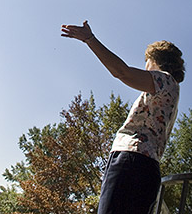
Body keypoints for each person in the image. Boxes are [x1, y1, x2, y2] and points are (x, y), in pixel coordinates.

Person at [61, 21, 184, 214]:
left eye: (147, 62)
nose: (145, 67)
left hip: (132, 161)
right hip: (144, 166)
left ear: (155, 59)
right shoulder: (171, 90)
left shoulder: (165, 80)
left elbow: (122, 72)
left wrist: (90, 40)